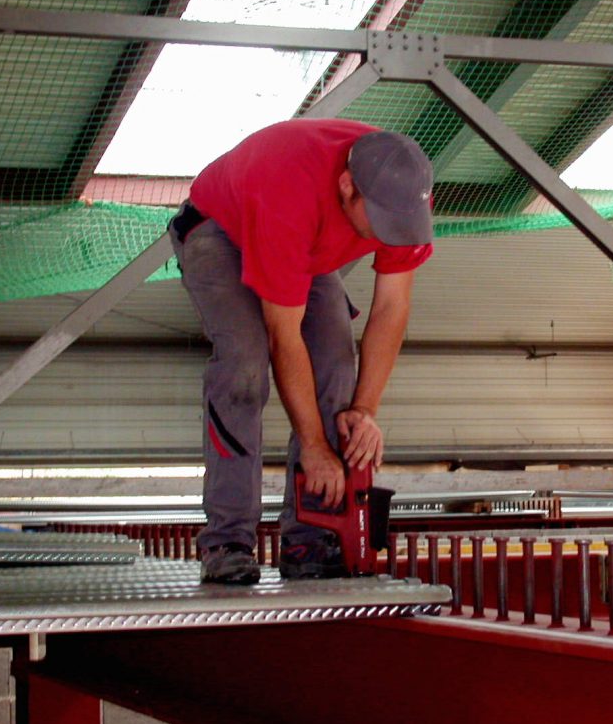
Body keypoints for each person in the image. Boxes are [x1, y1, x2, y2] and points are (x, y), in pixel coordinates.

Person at [168, 118, 434, 584]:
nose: (388, 235)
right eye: (379, 223)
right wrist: (313, 445)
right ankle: (227, 540)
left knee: (335, 365)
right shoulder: (290, 190)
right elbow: (282, 336)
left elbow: (392, 308)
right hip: (220, 227)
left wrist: (366, 410)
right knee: (245, 367)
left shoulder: (402, 194)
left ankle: (309, 535)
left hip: (306, 248)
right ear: (347, 185)